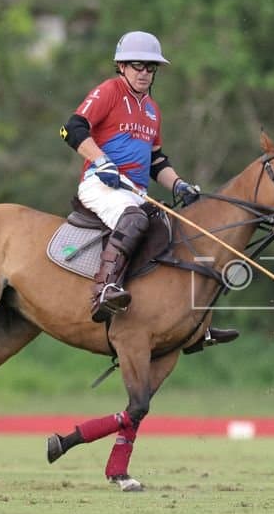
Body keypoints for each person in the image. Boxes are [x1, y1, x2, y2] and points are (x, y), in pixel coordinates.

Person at [58, 31, 236, 349]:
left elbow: (156, 161)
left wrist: (179, 184)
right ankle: (104, 291)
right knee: (134, 220)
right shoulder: (109, 92)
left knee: (179, 232)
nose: (144, 72)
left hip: (135, 192)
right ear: (121, 66)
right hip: (101, 185)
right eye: (137, 65)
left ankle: (194, 324)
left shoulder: (152, 109)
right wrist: (102, 162)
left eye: (150, 67)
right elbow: (72, 128)